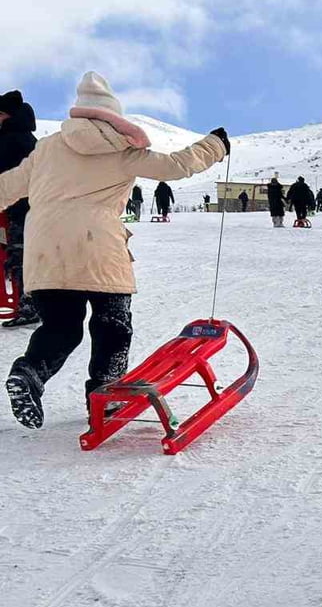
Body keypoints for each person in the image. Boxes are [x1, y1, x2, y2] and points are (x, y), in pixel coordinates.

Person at [0, 71, 227, 429]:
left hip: (45, 249)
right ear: (113, 114)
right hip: (98, 247)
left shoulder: (47, 147)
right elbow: (176, 166)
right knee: (113, 324)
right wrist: (216, 144)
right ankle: (106, 395)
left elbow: (6, 187)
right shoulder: (122, 148)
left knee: (61, 326)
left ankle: (29, 373)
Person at [0, 90, 39, 328]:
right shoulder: (26, 138)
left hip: (20, 207)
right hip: (28, 207)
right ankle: (30, 303)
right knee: (25, 254)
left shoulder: (12, 139)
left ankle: (29, 305)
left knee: (20, 254)